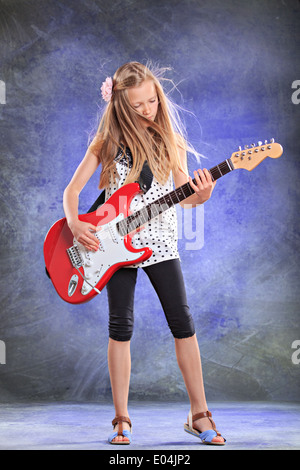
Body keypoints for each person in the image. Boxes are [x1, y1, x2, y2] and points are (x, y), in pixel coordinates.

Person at [63, 62, 225, 446]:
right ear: (120, 104)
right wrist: (74, 223)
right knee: (120, 326)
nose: (148, 109)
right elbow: (72, 191)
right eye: (138, 105)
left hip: (161, 242)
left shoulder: (170, 138)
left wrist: (203, 194)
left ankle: (198, 413)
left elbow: (186, 199)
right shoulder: (107, 141)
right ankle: (121, 418)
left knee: (182, 322)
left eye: (152, 100)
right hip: (113, 244)